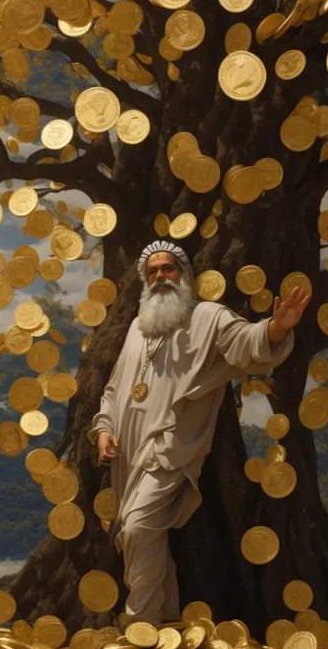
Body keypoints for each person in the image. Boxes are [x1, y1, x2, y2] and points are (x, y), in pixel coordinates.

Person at [87, 240, 310, 627]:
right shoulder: (138, 329)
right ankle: (162, 625)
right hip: (127, 450)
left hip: (169, 445)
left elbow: (245, 345)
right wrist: (104, 427)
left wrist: (276, 328)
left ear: (185, 276)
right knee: (140, 534)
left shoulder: (207, 317)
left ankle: (138, 625)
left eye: (168, 269)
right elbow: (113, 388)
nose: (159, 277)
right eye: (152, 271)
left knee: (140, 527)